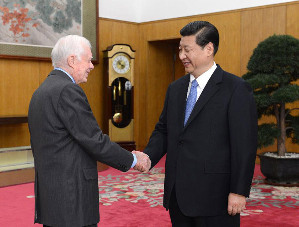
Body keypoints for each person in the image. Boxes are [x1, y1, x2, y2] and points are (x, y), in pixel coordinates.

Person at [142, 21, 258, 226]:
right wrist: (148, 157)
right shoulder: (175, 88)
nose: (181, 56)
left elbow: (244, 145)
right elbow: (164, 129)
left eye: (187, 50)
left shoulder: (236, 89)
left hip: (216, 197)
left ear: (209, 49)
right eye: (180, 50)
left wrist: (239, 191)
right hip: (178, 193)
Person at [28, 35, 150, 227]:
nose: (92, 65)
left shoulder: (41, 91)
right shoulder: (68, 90)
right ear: (72, 60)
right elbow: (94, 141)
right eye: (88, 59)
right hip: (72, 199)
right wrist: (133, 160)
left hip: (53, 198)